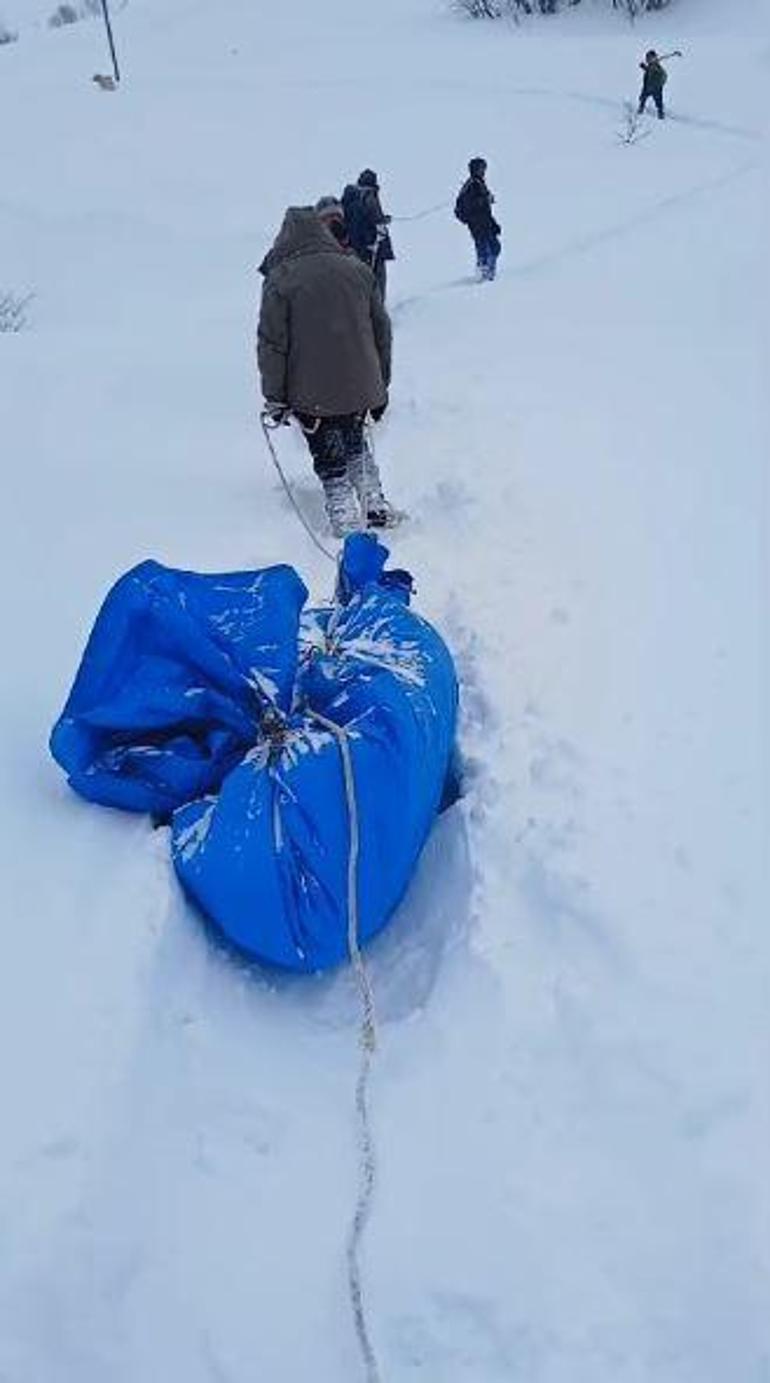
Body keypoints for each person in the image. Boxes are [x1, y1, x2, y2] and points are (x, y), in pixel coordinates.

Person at [257, 206, 396, 538]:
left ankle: (344, 516)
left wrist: (274, 397)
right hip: (360, 383)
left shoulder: (281, 279)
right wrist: (380, 384)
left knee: (326, 450)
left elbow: (272, 343)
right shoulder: (357, 270)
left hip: (310, 391)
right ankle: (374, 503)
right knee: (354, 439)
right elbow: (382, 331)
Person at [341, 170, 394, 301]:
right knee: (378, 279)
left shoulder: (350, 196)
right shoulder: (369, 195)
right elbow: (376, 220)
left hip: (354, 246)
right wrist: (383, 221)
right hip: (373, 246)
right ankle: (378, 309)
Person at [454, 157, 501, 282]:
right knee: (485, 249)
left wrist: (493, 223)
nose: (484, 171)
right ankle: (484, 275)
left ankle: (488, 273)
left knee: (494, 247)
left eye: (484, 168)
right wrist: (485, 199)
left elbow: (485, 209)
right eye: (481, 168)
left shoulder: (479, 183)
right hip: (477, 224)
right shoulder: (471, 184)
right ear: (474, 169)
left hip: (485, 223)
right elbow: (471, 205)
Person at [638, 49, 668, 119]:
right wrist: (644, 67)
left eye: (649, 58)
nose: (647, 60)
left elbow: (655, 72)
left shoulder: (656, 67)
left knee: (658, 102)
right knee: (643, 98)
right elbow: (649, 70)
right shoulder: (651, 65)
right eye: (647, 58)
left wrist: (646, 67)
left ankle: (661, 115)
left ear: (653, 58)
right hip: (647, 86)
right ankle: (640, 110)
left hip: (656, 88)